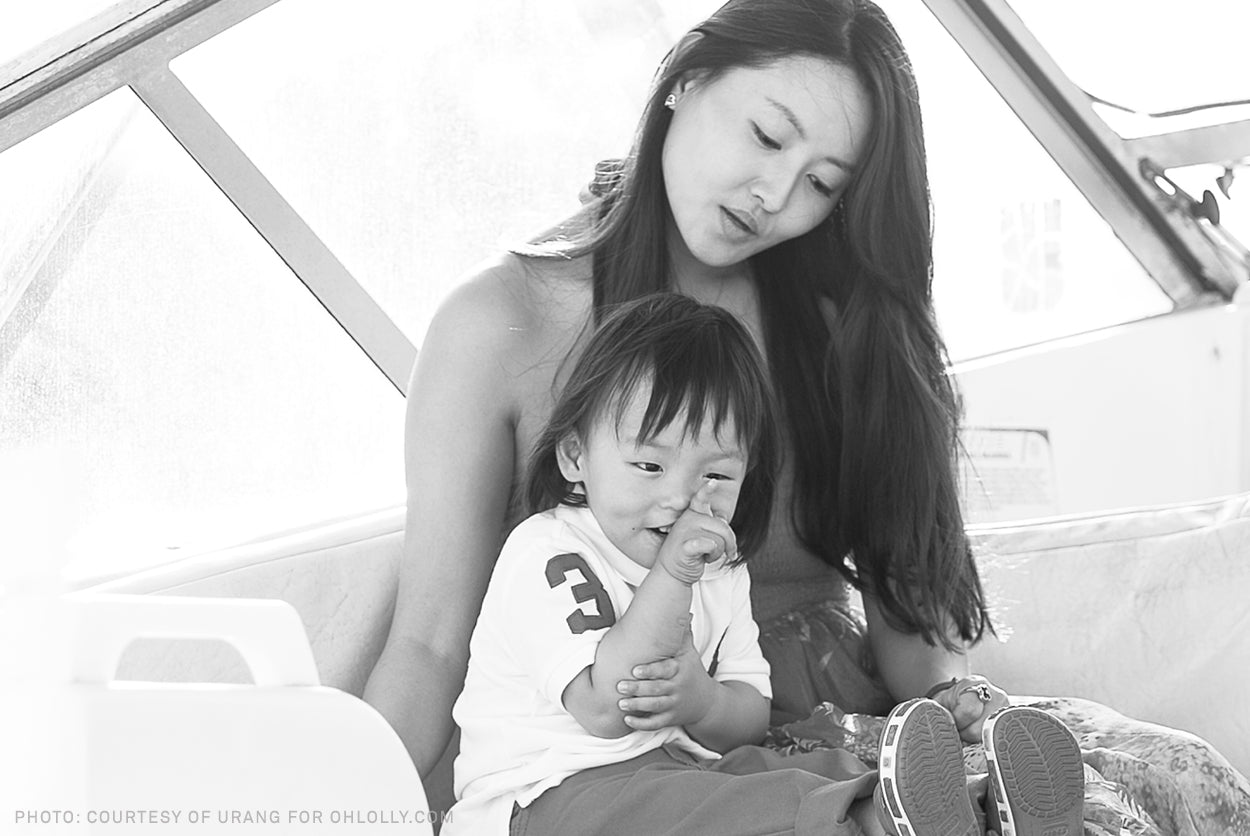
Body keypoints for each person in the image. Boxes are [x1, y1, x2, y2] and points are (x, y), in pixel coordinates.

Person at [363, 0, 1250, 832]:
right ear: (686, 79)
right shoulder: (499, 324)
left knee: (1174, 779)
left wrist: (957, 718)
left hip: (845, 727)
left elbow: (911, 620)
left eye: (823, 182)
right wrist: (324, 806)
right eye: (766, 135)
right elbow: (431, 647)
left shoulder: (839, 318)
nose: (775, 196)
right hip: (641, 759)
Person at [445, 293, 1082, 836]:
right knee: (733, 804)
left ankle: (976, 811)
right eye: (649, 465)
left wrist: (702, 700)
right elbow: (606, 710)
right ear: (575, 458)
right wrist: (672, 578)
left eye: (717, 473)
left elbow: (747, 718)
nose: (682, 497)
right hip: (547, 799)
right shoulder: (549, 553)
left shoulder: (721, 568)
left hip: (677, 772)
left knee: (798, 769)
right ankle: (885, 820)